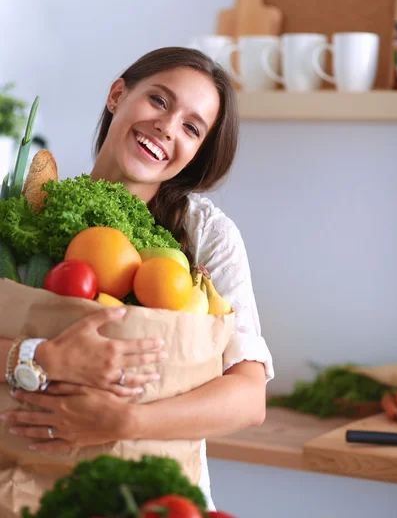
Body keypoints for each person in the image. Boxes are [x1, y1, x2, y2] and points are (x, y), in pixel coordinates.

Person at [0, 47, 274, 509]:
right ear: (117, 95)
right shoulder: (29, 211)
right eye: (159, 101)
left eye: (191, 127)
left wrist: (126, 422)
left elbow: (249, 397)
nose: (167, 128)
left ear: (198, 152)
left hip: (155, 496)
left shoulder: (206, 235)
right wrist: (43, 356)